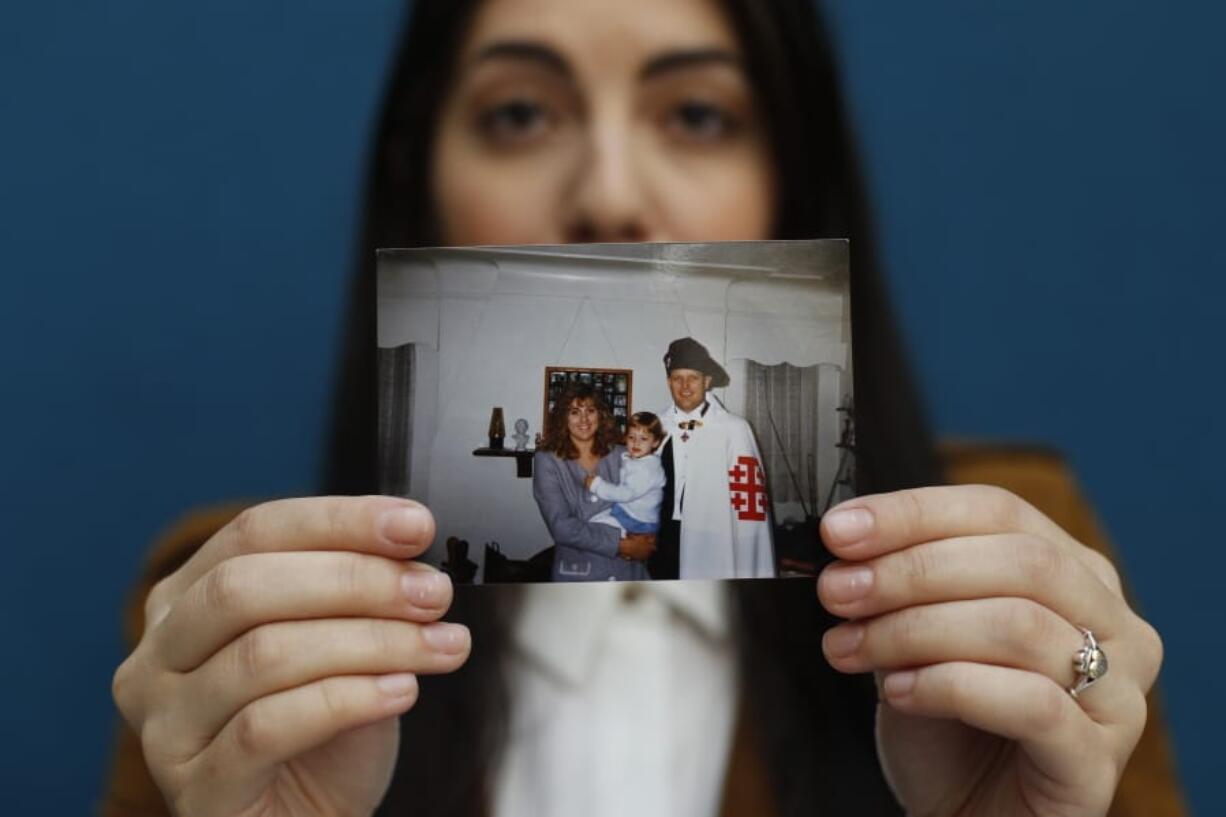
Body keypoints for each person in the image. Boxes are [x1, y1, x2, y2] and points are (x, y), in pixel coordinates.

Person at [107, 0, 1172, 816]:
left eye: (697, 113)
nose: (608, 191)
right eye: (517, 111)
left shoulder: (1020, 575)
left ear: (788, 183)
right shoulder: (232, 626)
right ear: (418, 176)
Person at [654, 337, 775, 580]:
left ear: (707, 381)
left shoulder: (734, 429)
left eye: (693, 378)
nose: (685, 386)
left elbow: (750, 503)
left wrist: (747, 548)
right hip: (663, 536)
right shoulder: (656, 426)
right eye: (678, 378)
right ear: (669, 382)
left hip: (713, 536)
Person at [533, 383, 655, 581]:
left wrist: (646, 541)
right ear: (563, 418)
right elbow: (561, 527)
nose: (584, 419)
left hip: (630, 574)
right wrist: (622, 545)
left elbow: (649, 505)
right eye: (574, 412)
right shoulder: (547, 460)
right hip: (578, 577)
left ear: (601, 415)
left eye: (590, 410)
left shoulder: (624, 455)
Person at [584, 411, 668, 536]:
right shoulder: (638, 460)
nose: (636, 443)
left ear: (655, 442)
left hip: (637, 520)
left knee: (594, 525)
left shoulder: (647, 469)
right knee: (594, 519)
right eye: (631, 437)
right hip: (629, 512)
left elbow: (625, 494)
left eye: (643, 439)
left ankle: (623, 535)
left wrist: (597, 485)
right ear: (625, 438)